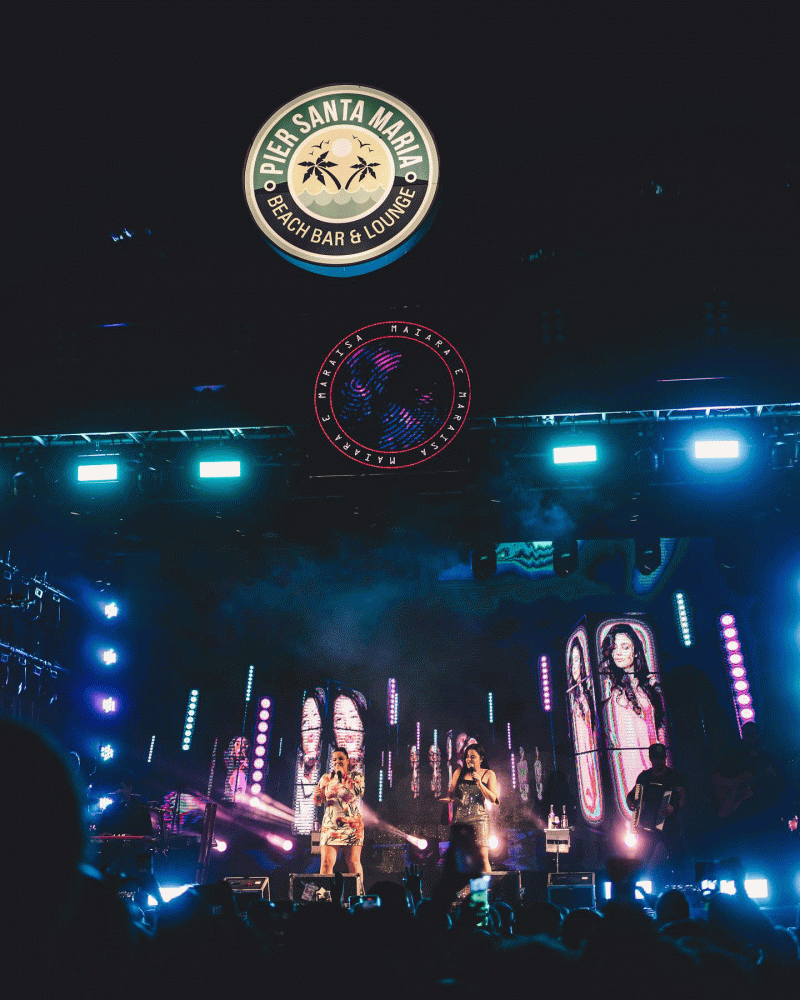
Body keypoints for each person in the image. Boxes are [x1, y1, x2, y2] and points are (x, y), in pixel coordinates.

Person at [625, 742, 686, 879]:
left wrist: (673, 808)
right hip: (647, 826)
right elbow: (632, 795)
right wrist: (630, 802)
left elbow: (682, 798)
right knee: (641, 859)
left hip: (668, 826)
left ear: (665, 758)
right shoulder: (644, 777)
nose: (659, 761)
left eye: (661, 758)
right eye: (656, 758)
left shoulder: (673, 776)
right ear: (651, 758)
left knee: (678, 859)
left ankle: (681, 883)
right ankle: (635, 882)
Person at [439, 743, 499, 873]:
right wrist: (449, 798)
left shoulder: (489, 774)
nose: (469, 759)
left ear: (481, 758)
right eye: (467, 756)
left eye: (473, 756)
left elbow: (494, 799)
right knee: (459, 857)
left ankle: (485, 885)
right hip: (461, 818)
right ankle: (460, 885)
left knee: (483, 857)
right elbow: (452, 792)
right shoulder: (458, 772)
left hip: (480, 819)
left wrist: (480, 784)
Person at [314, 746, 365, 881]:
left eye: (341, 759)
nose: (337, 762)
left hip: (351, 824)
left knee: (353, 862)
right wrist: (318, 795)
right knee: (326, 863)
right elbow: (318, 801)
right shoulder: (326, 778)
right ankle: (327, 892)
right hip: (330, 824)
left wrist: (343, 776)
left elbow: (357, 793)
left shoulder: (356, 776)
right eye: (335, 759)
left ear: (348, 760)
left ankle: (358, 892)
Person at [567, 636, 603, 824]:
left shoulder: (591, 693)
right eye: (572, 661)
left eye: (578, 660)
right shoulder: (573, 696)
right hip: (582, 755)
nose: (575, 666)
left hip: (595, 751)